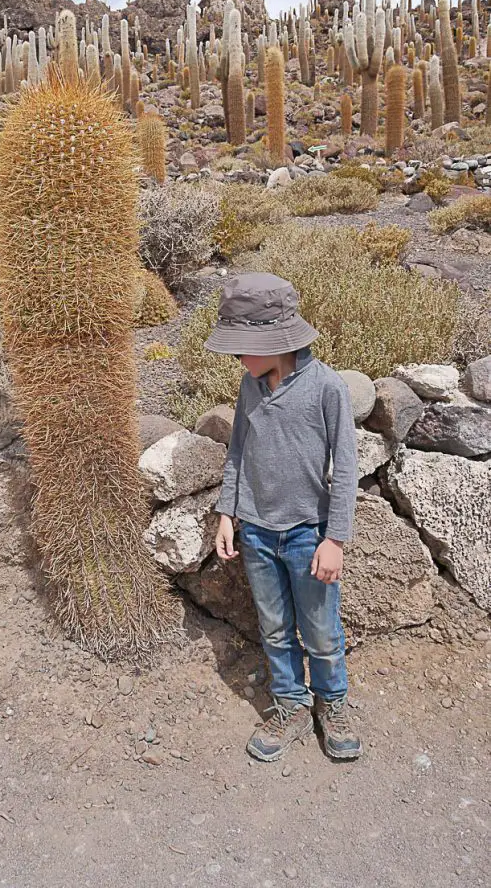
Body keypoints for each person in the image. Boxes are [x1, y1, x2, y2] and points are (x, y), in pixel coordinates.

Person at [206, 272, 362, 762]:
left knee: (320, 628)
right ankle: (291, 703)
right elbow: (238, 452)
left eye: (244, 348)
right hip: (256, 532)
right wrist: (229, 512)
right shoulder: (250, 385)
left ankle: (332, 703)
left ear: (276, 340)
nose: (239, 358)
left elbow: (348, 467)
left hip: (306, 535)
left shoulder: (326, 387)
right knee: (273, 628)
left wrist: (334, 539)